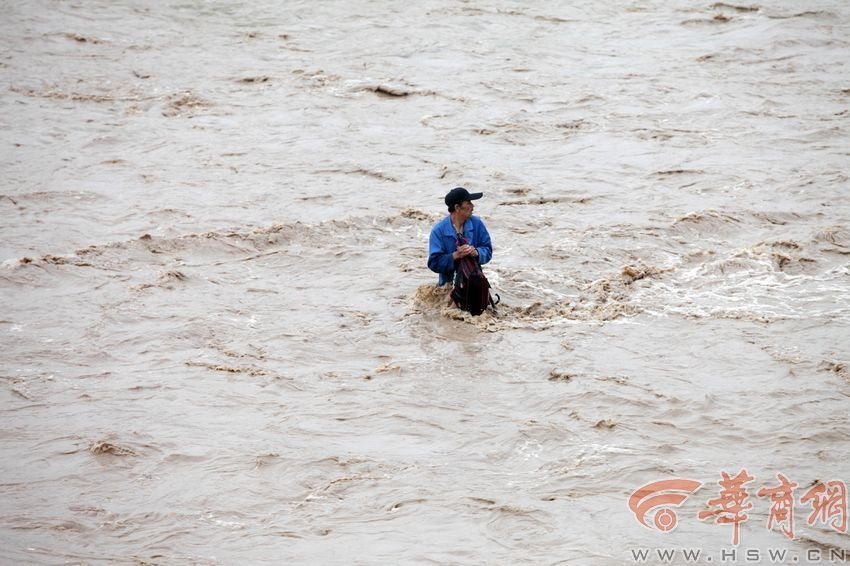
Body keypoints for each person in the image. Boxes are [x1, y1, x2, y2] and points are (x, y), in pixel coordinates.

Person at [428, 187, 493, 287]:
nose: (472, 206)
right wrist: (456, 255)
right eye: (469, 203)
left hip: (474, 284)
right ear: (457, 208)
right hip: (447, 287)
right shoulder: (438, 231)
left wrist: (476, 252)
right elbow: (434, 263)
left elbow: (488, 250)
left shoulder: (477, 223)